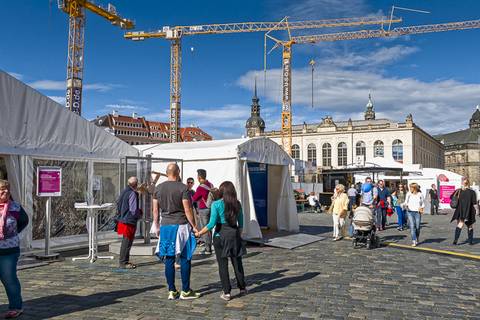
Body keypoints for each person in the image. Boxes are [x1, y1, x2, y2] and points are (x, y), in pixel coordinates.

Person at [153, 163, 200, 300]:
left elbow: (155, 210)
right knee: (185, 257)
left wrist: (156, 226)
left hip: (166, 226)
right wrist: (194, 225)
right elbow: (187, 209)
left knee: (169, 258)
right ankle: (185, 290)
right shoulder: (183, 188)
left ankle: (172, 290)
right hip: (181, 225)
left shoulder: (158, 188)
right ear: (178, 172)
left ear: (167, 173)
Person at [195, 181, 247, 301]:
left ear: (221, 191)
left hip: (220, 235)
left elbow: (211, 224)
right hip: (234, 235)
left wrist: (199, 233)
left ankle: (227, 292)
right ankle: (242, 288)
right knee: (237, 263)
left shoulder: (216, 204)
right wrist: (237, 236)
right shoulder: (237, 204)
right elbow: (241, 224)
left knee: (223, 265)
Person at [0, 180, 29, 319]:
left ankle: (16, 307)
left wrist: (11, 234)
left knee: (9, 278)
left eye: (7, 189)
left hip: (9, 251)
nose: (5, 192)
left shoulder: (16, 207)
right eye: (1, 189)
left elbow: (24, 221)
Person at [116, 176, 142, 269]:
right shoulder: (132, 193)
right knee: (127, 242)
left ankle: (124, 261)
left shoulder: (124, 191)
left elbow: (118, 203)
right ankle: (123, 262)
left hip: (123, 219)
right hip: (129, 220)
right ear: (136, 184)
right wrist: (139, 213)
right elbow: (133, 210)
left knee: (126, 241)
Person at [192, 169, 214, 254]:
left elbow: (195, 198)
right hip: (211, 208)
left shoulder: (201, 187)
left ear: (199, 177)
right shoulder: (211, 184)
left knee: (205, 228)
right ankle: (209, 247)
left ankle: (207, 248)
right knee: (209, 227)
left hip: (203, 209)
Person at [451, 178, 478, 245]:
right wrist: (477, 211)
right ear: (468, 184)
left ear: (462, 183)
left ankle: (455, 240)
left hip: (460, 210)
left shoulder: (458, 190)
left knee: (460, 224)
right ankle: (470, 241)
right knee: (470, 226)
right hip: (469, 211)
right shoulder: (472, 192)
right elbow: (474, 203)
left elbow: (451, 197)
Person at [405, 183, 424, 247]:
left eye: (411, 188)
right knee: (412, 226)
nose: (410, 189)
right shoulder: (408, 194)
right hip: (410, 212)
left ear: (415, 188)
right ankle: (413, 240)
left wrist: (421, 208)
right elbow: (406, 202)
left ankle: (417, 237)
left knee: (418, 227)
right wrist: (405, 205)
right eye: (409, 187)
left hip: (417, 212)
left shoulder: (420, 194)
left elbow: (423, 203)